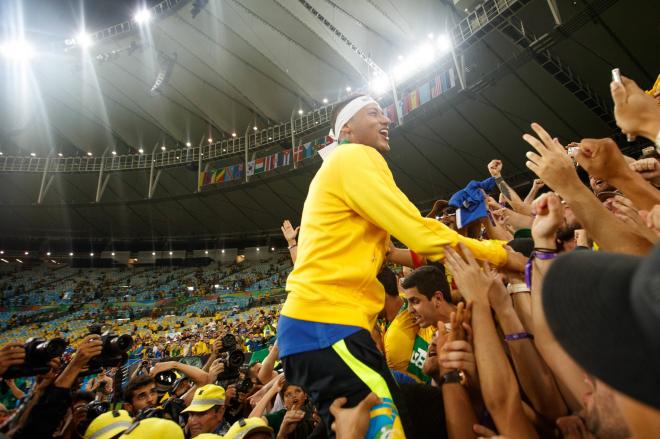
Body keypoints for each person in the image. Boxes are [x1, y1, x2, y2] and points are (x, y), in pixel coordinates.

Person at [279, 94, 526, 438]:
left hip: (317, 329)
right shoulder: (355, 157)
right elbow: (419, 232)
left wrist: (461, 259)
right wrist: (502, 254)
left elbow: (396, 251)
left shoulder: (339, 170)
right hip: (326, 326)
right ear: (347, 129)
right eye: (374, 113)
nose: (387, 120)